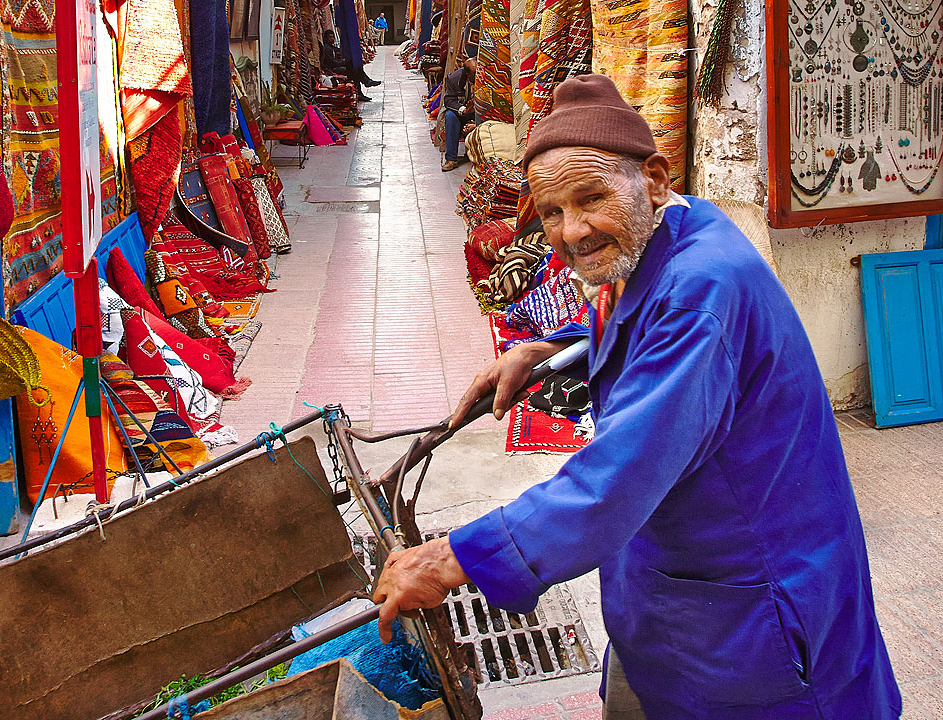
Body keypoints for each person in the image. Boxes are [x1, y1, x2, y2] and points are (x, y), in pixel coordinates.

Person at [372, 75, 900, 719]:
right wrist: (547, 350)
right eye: (550, 212)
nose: (571, 232)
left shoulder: (703, 291)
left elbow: (616, 480)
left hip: (754, 616)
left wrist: (452, 558)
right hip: (676, 593)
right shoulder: (670, 230)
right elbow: (636, 314)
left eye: (591, 199)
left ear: (652, 177)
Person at [320, 29, 379, 102]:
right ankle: (365, 83)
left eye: (333, 37)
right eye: (330, 37)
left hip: (338, 66)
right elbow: (333, 63)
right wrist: (344, 62)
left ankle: (364, 86)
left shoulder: (331, 47)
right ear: (325, 38)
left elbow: (338, 51)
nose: (332, 39)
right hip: (333, 69)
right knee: (354, 71)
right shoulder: (326, 49)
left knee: (356, 71)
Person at [441, 58, 476, 172]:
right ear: (466, 73)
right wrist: (464, 110)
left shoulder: (484, 77)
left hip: (479, 112)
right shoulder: (454, 79)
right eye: (473, 74)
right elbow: (449, 100)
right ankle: (451, 159)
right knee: (450, 117)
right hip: (463, 112)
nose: (476, 77)